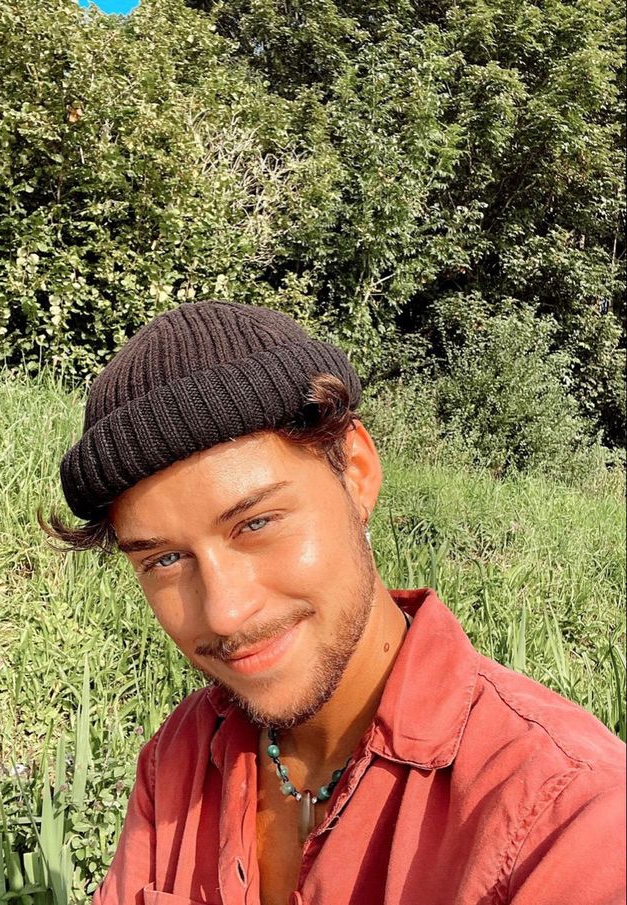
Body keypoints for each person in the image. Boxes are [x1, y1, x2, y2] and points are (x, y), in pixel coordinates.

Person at [49, 301, 625, 905]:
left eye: (256, 523)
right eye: (164, 560)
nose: (224, 613)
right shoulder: (181, 759)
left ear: (356, 472)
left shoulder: (567, 818)